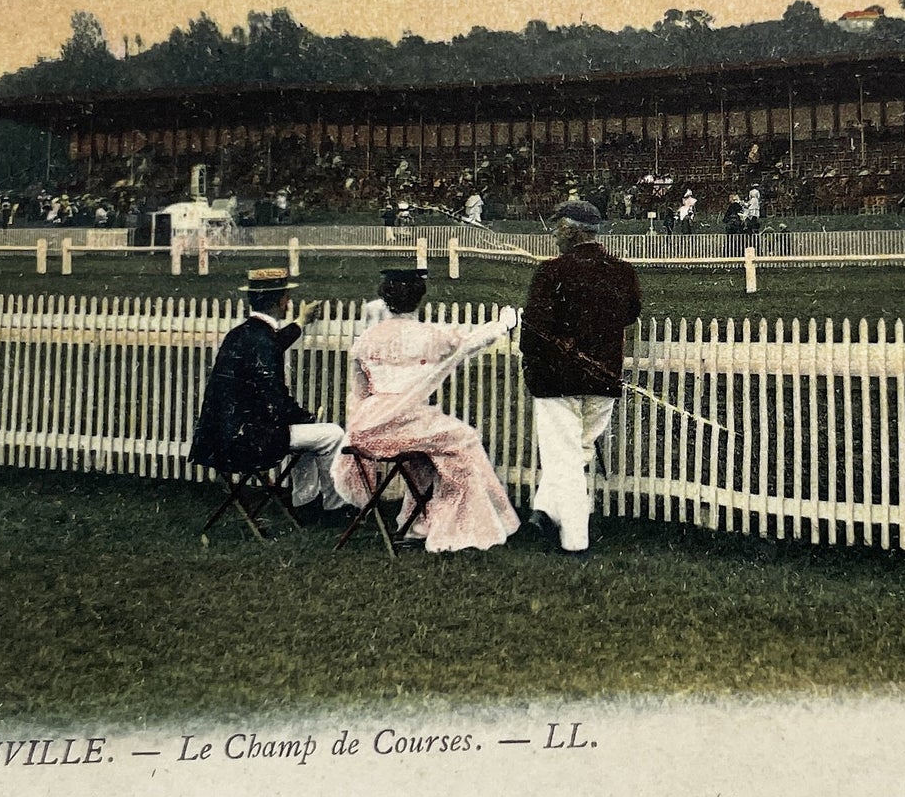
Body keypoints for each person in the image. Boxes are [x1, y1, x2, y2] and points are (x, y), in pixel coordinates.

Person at [334, 269, 520, 553]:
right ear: (419, 298)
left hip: (368, 427)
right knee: (464, 441)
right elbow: (470, 343)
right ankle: (460, 526)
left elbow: (358, 392)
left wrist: (359, 426)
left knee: (426, 453)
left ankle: (417, 522)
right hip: (403, 422)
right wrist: (503, 324)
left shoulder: (367, 338)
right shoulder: (428, 336)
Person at [520, 200, 642, 553]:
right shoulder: (622, 271)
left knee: (565, 460)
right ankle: (544, 511)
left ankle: (575, 540)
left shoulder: (551, 272)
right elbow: (630, 314)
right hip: (603, 378)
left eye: (556, 229)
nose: (554, 237)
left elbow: (533, 332)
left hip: (557, 381)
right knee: (578, 452)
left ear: (571, 231)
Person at [188, 268, 347, 516]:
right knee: (332, 434)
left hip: (218, 439)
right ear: (282, 301)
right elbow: (276, 398)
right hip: (248, 442)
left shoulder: (241, 334)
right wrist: (305, 417)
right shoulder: (263, 340)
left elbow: (271, 346)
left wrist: (300, 322)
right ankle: (334, 508)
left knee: (309, 436)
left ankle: (305, 503)